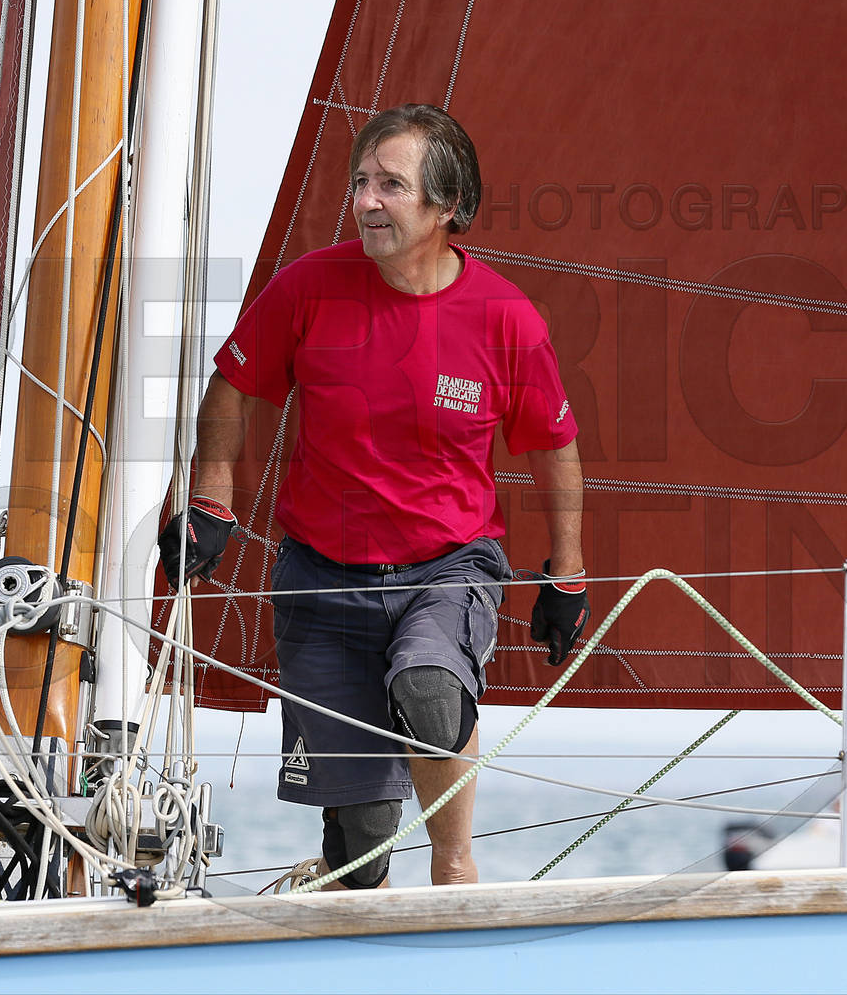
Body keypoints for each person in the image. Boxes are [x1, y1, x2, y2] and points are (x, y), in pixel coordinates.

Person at [158, 103, 589, 889]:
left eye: (390, 184)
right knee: (360, 853)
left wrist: (569, 573)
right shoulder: (309, 286)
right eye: (360, 182)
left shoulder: (506, 319)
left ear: (447, 205)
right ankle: (355, 896)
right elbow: (233, 386)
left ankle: (455, 870)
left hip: (447, 565)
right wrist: (211, 497)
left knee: (430, 688)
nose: (365, 201)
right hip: (320, 576)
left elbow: (553, 446)